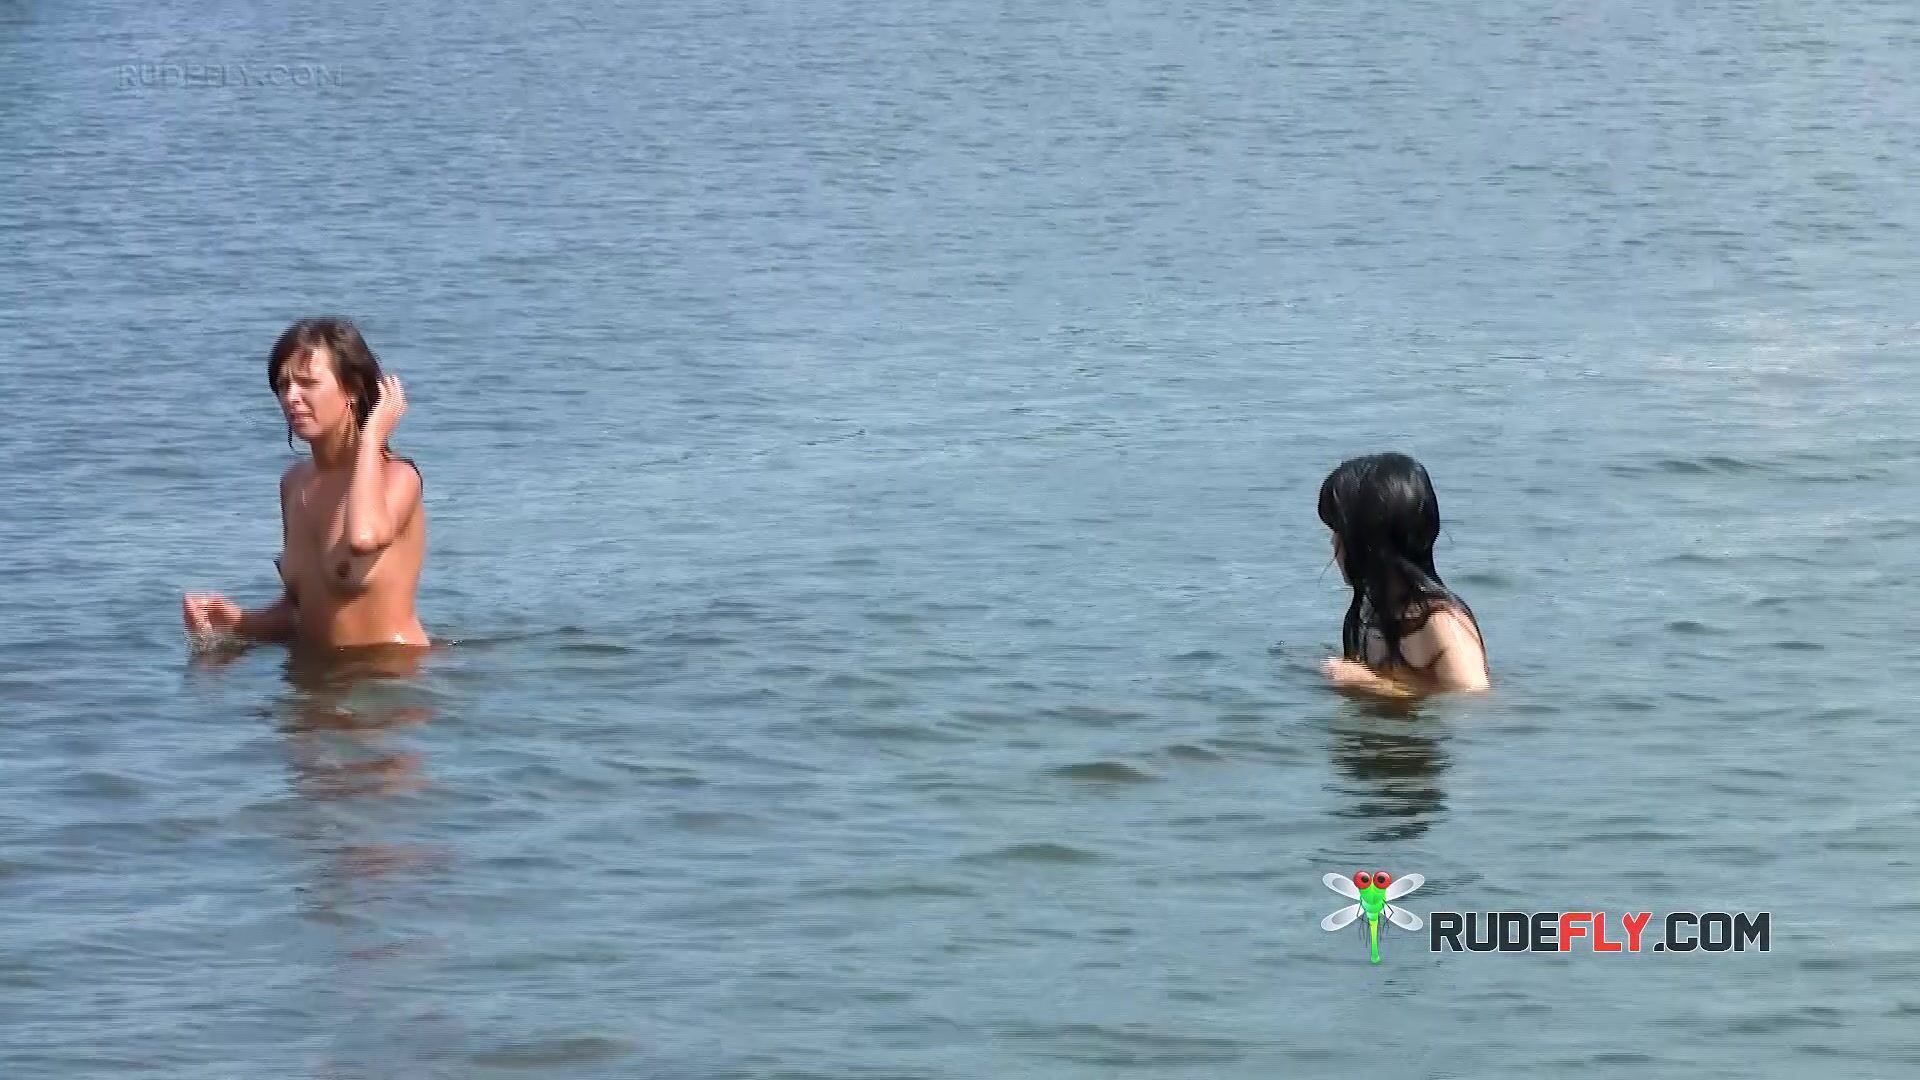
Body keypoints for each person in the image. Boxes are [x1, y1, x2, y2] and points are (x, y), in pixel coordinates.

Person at [183, 318, 429, 652]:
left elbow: (363, 537)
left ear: (352, 389)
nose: (291, 397)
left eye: (307, 383)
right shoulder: (294, 483)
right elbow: (303, 609)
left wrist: (371, 438)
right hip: (312, 676)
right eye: (283, 386)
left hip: (388, 674)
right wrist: (239, 623)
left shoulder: (399, 478)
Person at [1317, 452, 1488, 697]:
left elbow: (1473, 697)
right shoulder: (1369, 614)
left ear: (1369, 542)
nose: (1333, 543)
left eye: (1339, 531)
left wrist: (1370, 683)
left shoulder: (1441, 623)